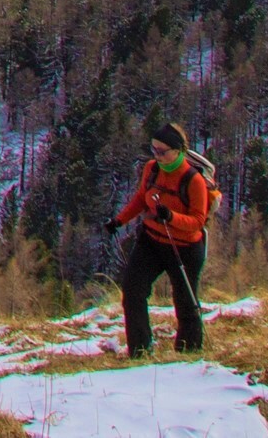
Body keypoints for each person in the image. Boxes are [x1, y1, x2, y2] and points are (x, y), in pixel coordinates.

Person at [110, 121, 218, 358]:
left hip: (185, 248)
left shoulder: (194, 180)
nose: (156, 156)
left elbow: (197, 221)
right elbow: (141, 198)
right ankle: (140, 350)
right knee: (133, 291)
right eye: (153, 150)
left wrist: (171, 217)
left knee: (185, 302)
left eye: (162, 151)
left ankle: (188, 354)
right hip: (152, 240)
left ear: (178, 151)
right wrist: (119, 221)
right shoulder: (152, 169)